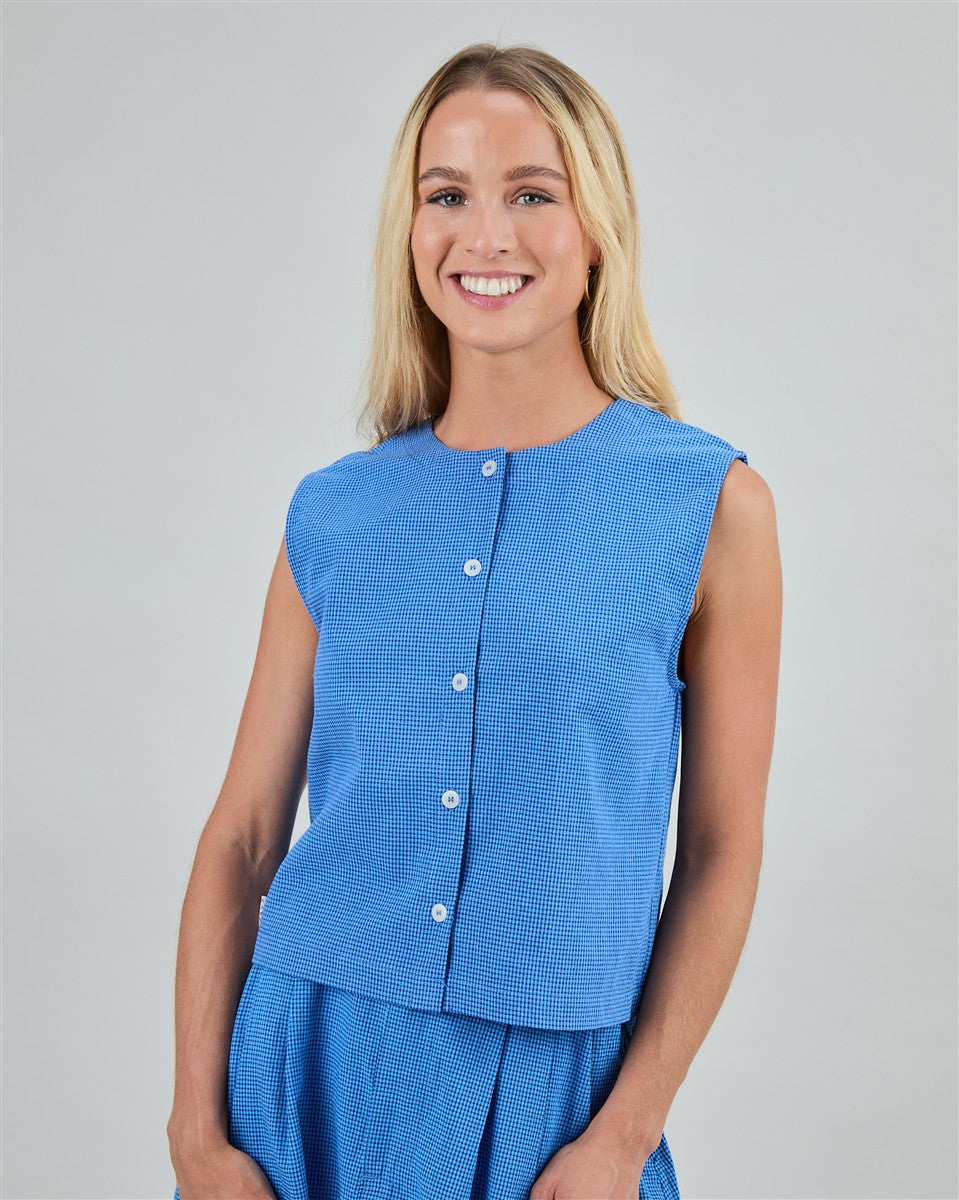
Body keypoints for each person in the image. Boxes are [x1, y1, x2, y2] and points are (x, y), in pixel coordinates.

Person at [167, 41, 781, 1200]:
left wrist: (622, 1136)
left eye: (531, 195)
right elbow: (242, 837)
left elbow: (719, 850)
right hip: (305, 1071)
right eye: (445, 195)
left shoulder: (709, 506)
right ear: (408, 234)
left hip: (560, 1100)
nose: (484, 236)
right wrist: (197, 1136)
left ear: (597, 231)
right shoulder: (332, 512)